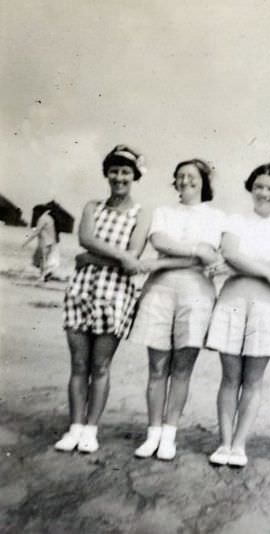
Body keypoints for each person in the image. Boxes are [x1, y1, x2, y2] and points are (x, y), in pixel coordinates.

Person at [55, 145, 151, 453]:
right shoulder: (91, 207)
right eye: (114, 171)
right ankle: (74, 427)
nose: (119, 177)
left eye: (125, 172)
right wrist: (118, 257)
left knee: (100, 365)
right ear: (106, 174)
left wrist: (90, 258)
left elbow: (134, 255)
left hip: (115, 296)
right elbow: (86, 238)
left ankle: (91, 430)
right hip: (81, 291)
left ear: (134, 175)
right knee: (78, 364)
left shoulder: (142, 212)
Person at [131, 158, 226, 461]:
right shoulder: (163, 211)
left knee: (182, 370)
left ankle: (169, 435)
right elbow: (159, 240)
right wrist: (195, 250)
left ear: (204, 181)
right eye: (180, 176)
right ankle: (153, 433)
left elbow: (209, 258)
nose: (185, 181)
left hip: (197, 294)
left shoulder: (216, 216)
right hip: (159, 292)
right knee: (157, 368)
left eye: (192, 176)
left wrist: (162, 261)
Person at [204, 163, 270, 468]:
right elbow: (230, 253)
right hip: (232, 301)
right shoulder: (235, 220)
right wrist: (256, 268)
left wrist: (241, 264)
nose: (264, 193)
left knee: (253, 381)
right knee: (230, 378)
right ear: (251, 188)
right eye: (259, 187)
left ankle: (240, 445)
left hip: (267, 307)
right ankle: (224, 442)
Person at [22, 208, 60, 282]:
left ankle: (43, 276)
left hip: (44, 242)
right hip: (51, 242)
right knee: (42, 259)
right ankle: (46, 273)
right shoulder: (49, 218)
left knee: (42, 260)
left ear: (38, 212)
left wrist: (26, 242)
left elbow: (37, 231)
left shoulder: (42, 219)